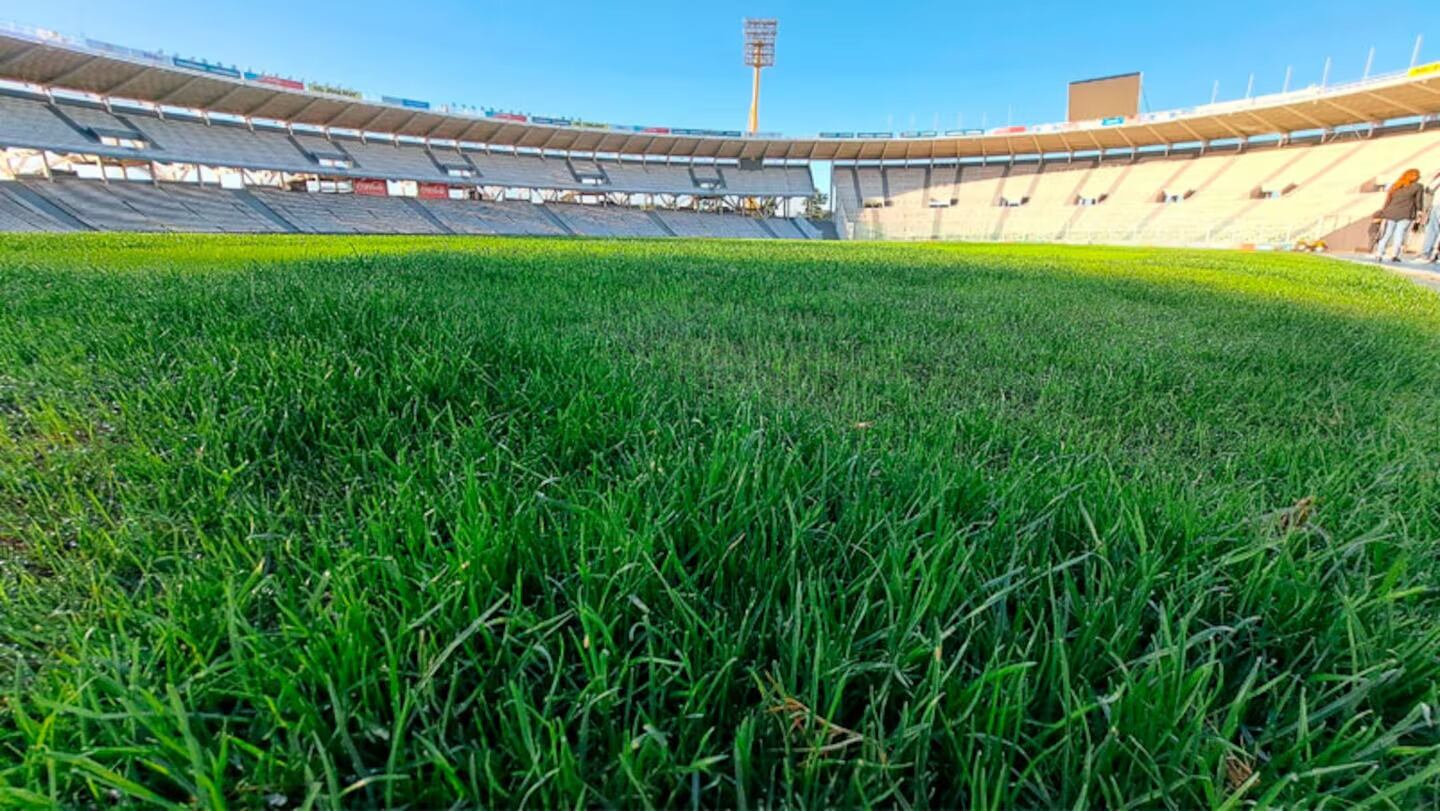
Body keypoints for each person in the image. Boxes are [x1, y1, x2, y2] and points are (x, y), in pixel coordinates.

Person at [1374, 169, 1424, 263]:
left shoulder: (1396, 186)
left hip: (1391, 213)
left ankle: (1379, 254)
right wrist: (1420, 213)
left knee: (1387, 233)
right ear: (1415, 177)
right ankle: (1394, 255)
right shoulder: (1418, 187)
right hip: (1406, 213)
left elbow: (1388, 200)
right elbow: (1419, 202)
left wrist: (1384, 212)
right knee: (1399, 234)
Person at [1420, 169, 1440, 263]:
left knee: (1432, 230)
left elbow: (1429, 188)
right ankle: (1434, 254)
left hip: (1437, 206)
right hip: (1436, 206)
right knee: (1433, 230)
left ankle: (1426, 253)